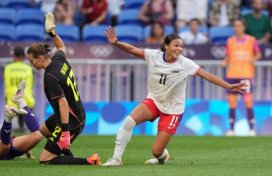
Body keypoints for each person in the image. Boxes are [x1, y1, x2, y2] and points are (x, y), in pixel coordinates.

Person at [102, 26, 247, 166]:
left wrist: (229, 86)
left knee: (156, 151)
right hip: (154, 101)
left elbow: (207, 76)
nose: (179, 49)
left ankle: (163, 156)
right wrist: (116, 42)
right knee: (128, 122)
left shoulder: (185, 64)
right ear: (166, 46)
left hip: (173, 110)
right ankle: (116, 159)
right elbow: (132, 50)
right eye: (176, 45)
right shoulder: (153, 56)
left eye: (181, 46)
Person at [26, 12, 100, 165]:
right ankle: (65, 153)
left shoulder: (50, 77)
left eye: (32, 60)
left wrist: (65, 131)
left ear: (40, 58)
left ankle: (89, 161)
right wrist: (52, 33)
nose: (31, 64)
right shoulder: (59, 59)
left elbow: (63, 103)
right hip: (71, 113)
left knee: (45, 160)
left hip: (72, 120)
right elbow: (61, 46)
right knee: (43, 131)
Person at [221, 19, 261, 136]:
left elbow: (258, 53)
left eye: (239, 25)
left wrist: (254, 59)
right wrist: (225, 61)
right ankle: (231, 130)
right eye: (235, 26)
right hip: (232, 75)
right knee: (232, 103)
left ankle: (251, 129)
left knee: (248, 102)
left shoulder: (251, 40)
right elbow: (228, 56)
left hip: (246, 75)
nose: (237, 28)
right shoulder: (230, 41)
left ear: (244, 27)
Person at [4, 46, 35, 132]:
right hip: (26, 100)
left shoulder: (7, 67)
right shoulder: (29, 68)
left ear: (13, 55)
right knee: (30, 120)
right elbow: (31, 84)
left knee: (8, 118)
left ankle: (7, 129)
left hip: (11, 100)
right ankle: (32, 130)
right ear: (23, 56)